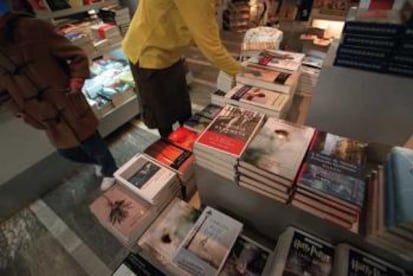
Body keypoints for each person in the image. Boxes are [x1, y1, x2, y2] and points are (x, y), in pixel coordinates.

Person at [0, 12, 117, 191]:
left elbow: (75, 55)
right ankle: (99, 163)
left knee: (92, 142)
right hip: (42, 112)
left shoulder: (32, 28)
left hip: (66, 100)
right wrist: (21, 110)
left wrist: (76, 81)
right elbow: (3, 93)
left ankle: (110, 170)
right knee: (67, 151)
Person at [123, 0, 241, 137]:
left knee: (182, 109)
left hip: (169, 50)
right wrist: (242, 73)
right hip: (148, 54)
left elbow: (201, 27)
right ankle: (175, 152)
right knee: (164, 118)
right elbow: (209, 44)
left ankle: (188, 142)